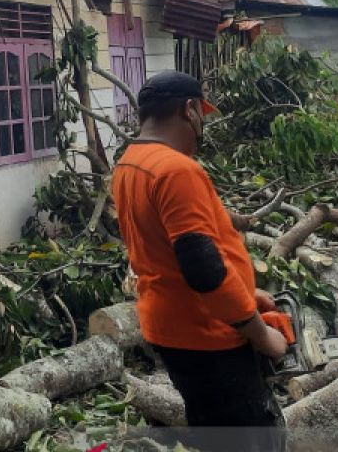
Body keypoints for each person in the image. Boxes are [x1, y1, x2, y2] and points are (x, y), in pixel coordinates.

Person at [111, 70, 287, 452]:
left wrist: (244, 292)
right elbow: (202, 268)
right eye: (201, 115)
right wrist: (262, 334)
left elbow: (167, 254)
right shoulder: (177, 171)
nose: (201, 125)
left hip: (172, 326)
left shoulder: (130, 163)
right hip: (207, 337)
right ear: (190, 110)